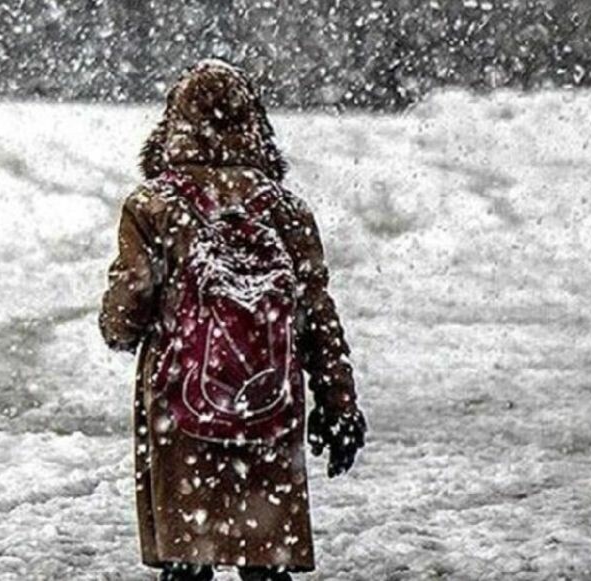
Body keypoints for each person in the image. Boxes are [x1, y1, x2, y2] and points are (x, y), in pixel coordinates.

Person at [99, 60, 367, 581]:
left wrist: (119, 330)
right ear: (256, 125)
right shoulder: (285, 211)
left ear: (172, 126)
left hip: (181, 402)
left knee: (187, 555)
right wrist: (339, 402)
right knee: (265, 551)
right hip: (269, 400)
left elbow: (130, 303)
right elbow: (317, 314)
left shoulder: (154, 206)